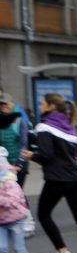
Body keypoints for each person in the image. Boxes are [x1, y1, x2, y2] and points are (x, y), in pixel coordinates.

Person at [22, 93, 77, 253]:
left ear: (50, 106)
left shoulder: (44, 126)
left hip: (57, 179)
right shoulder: (69, 126)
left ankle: (62, 252)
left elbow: (47, 155)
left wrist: (32, 155)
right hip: (75, 178)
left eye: (42, 103)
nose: (40, 106)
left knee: (43, 214)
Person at [0, 147, 37, 253]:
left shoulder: (10, 182)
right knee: (1, 247)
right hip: (1, 221)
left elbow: (12, 201)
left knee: (18, 247)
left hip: (16, 221)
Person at [0, 92, 34, 235]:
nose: (3, 108)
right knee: (6, 192)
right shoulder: (3, 118)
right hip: (4, 162)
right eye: (1, 105)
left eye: (5, 105)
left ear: (11, 103)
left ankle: (28, 221)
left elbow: (24, 143)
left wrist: (19, 163)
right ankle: (12, 221)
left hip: (17, 161)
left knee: (18, 191)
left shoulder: (20, 118)